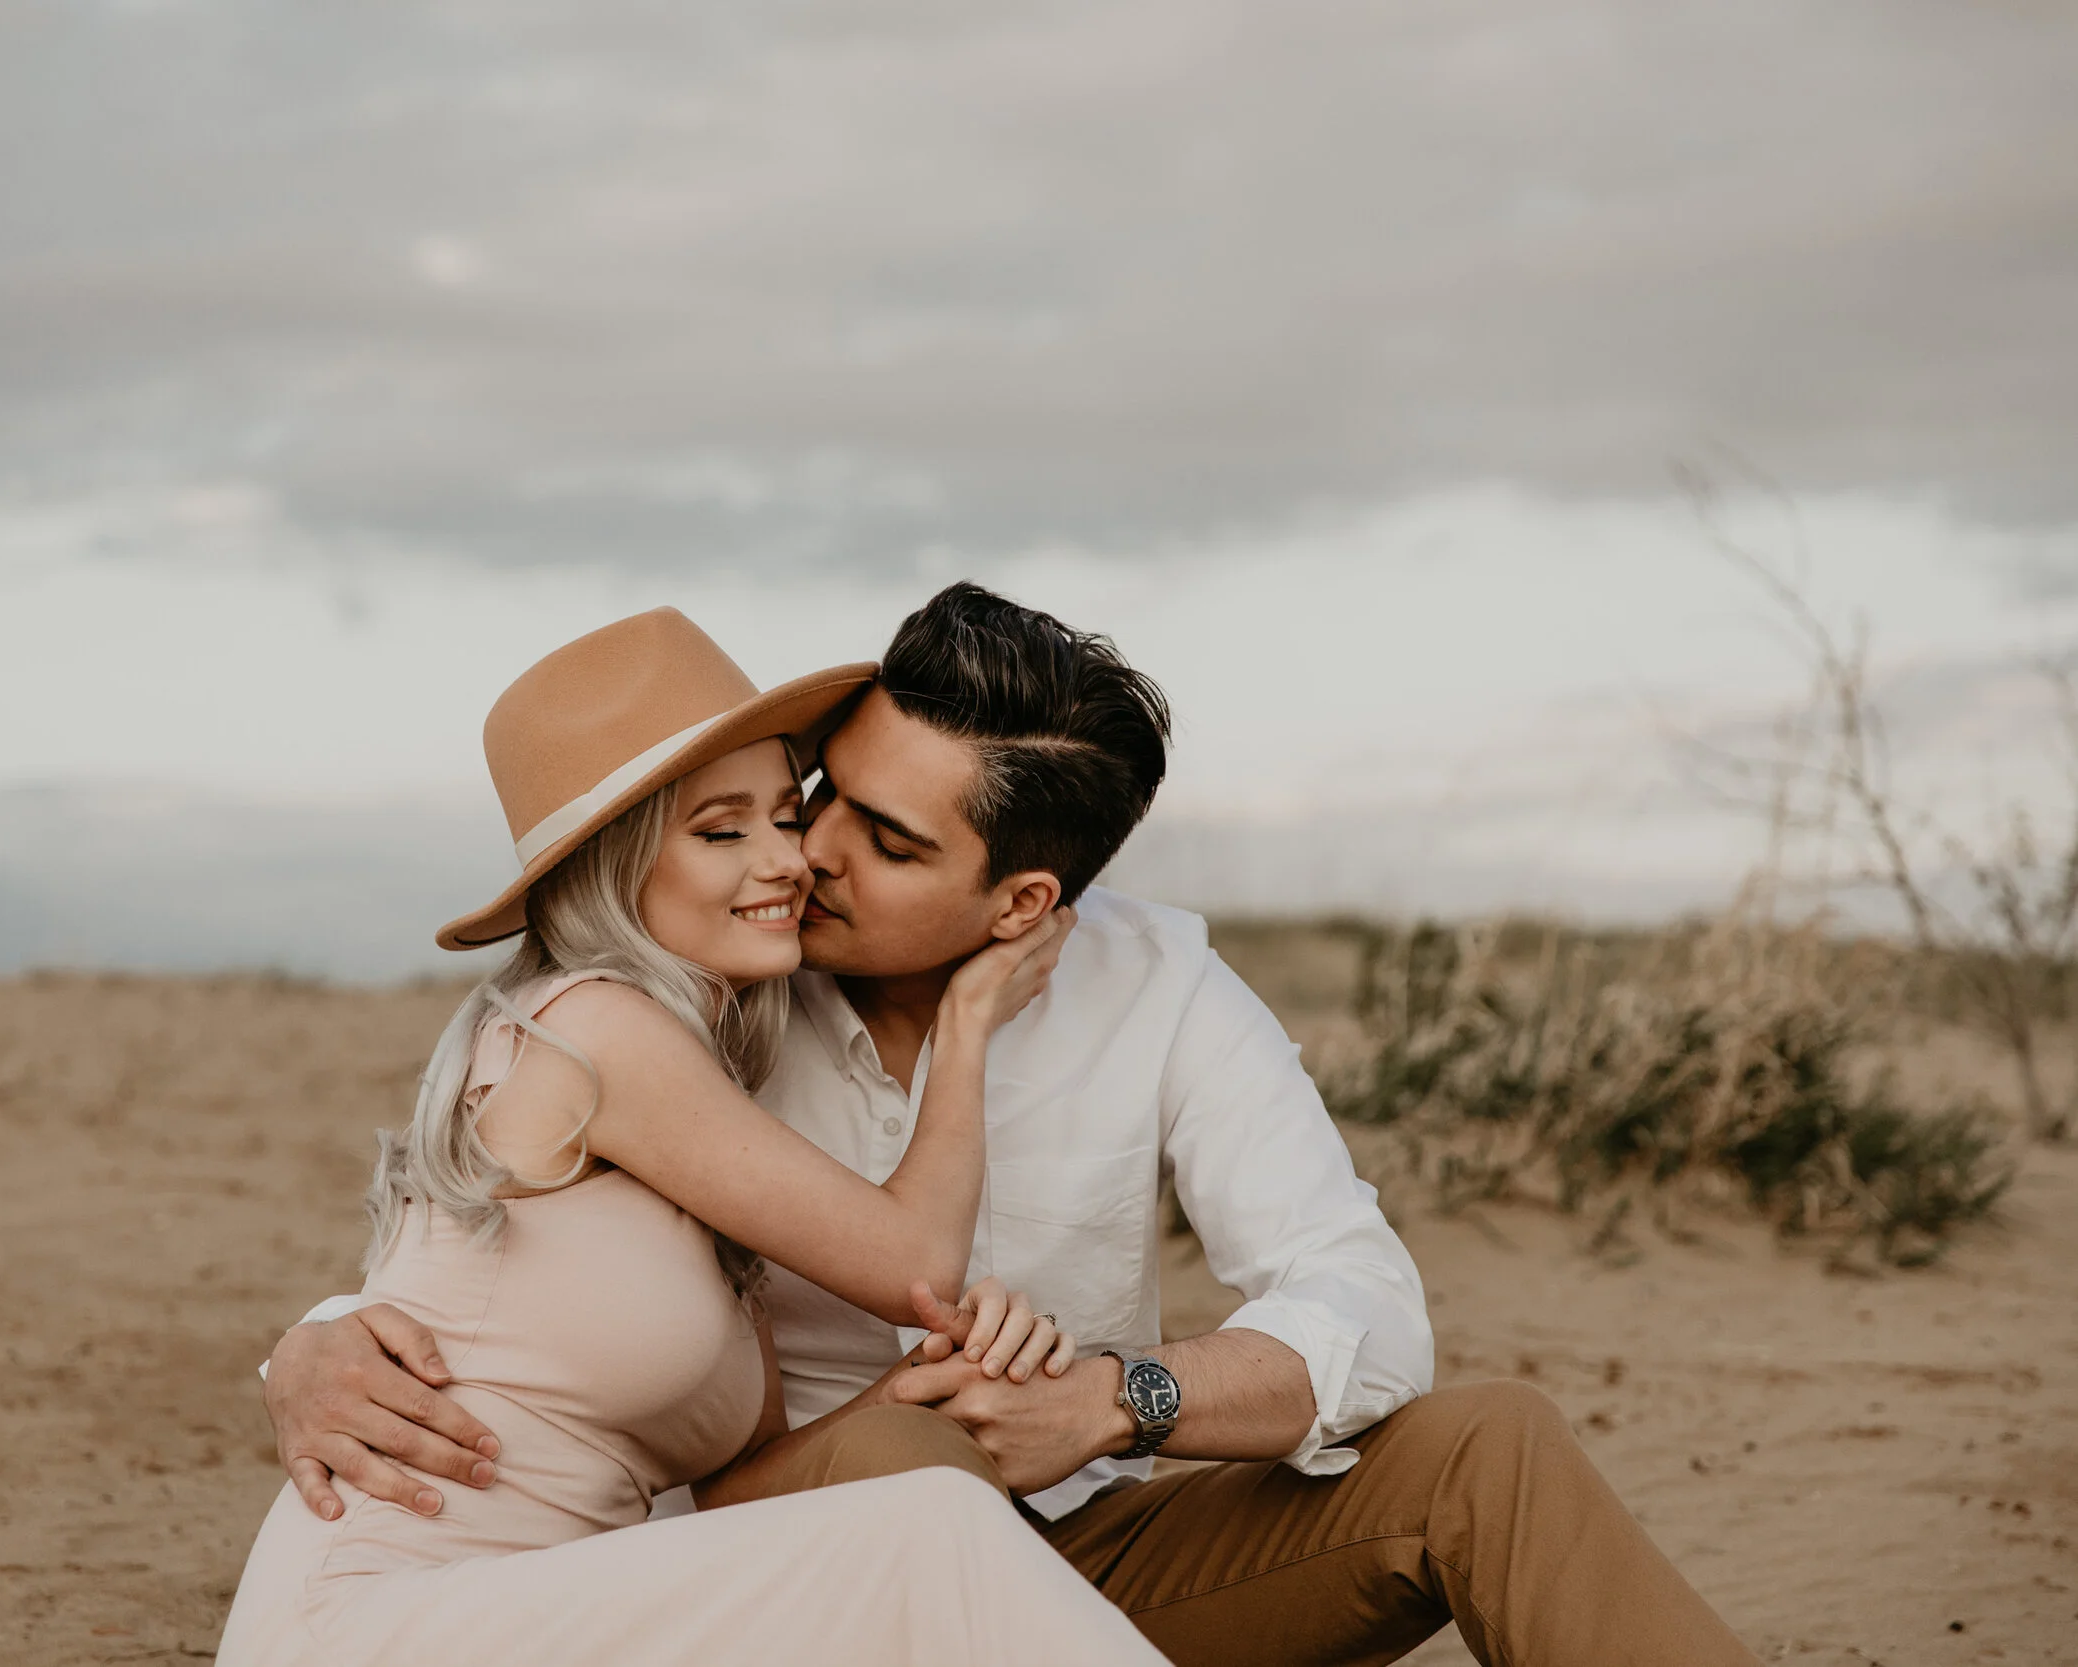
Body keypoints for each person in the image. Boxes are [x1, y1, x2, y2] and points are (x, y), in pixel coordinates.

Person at [266, 582, 1764, 1667]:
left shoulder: (1158, 987)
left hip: (1088, 1535)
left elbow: (1364, 1303)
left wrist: (1120, 1400)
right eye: (815, 798)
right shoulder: (711, 991)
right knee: (917, 1455)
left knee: (1486, 1446)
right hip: (785, 1553)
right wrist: (318, 1338)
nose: (809, 854)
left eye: (883, 838)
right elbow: (498, 1247)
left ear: (1020, 899)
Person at [214, 606, 1167, 1666]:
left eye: (786, 814)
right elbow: (917, 1263)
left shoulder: (697, 1116)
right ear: (615, 864)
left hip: (552, 1616)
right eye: (722, 831)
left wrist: (912, 1398)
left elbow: (747, 1484)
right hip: (382, 1618)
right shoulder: (595, 1030)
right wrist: (969, 1020)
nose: (790, 860)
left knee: (917, 1513)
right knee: (931, 1529)